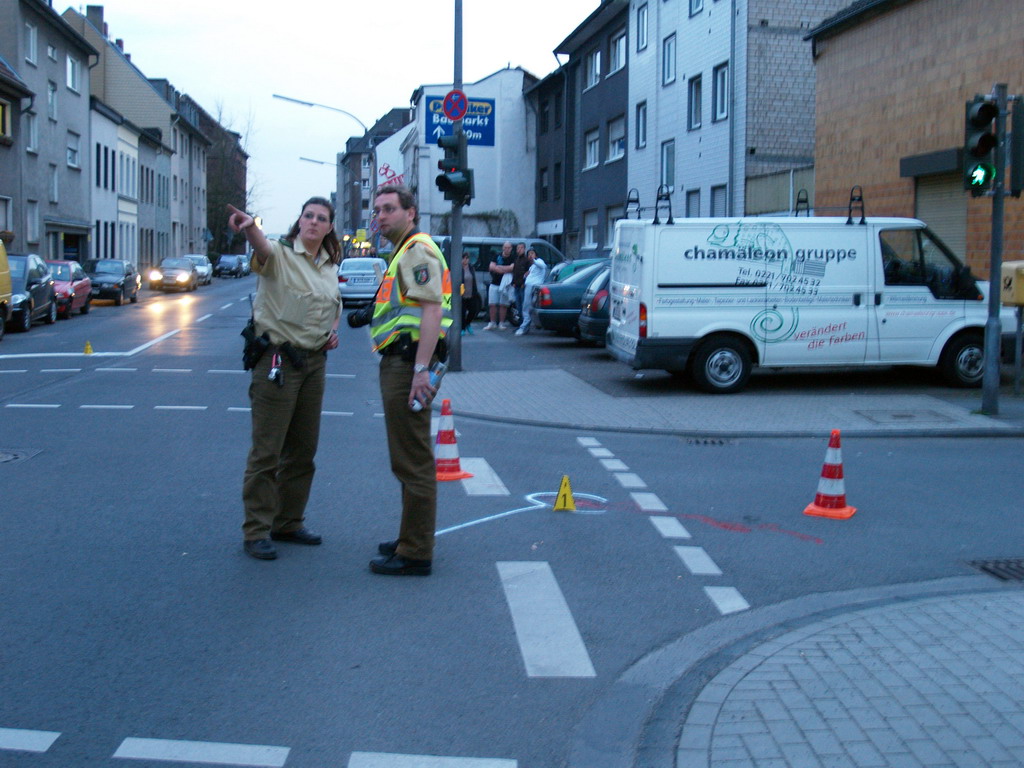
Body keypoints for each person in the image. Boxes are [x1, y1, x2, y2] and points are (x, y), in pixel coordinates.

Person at [227, 198, 342, 561]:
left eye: (321, 218)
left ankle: (288, 521)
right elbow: (262, 248)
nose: (313, 222)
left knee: (303, 451)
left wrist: (331, 331)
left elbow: (331, 306)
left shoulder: (329, 265)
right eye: (308, 215)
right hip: (277, 360)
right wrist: (250, 228)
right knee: (267, 452)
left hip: (314, 363)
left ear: (328, 228)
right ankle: (256, 530)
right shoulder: (279, 254)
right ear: (299, 221)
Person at [357, 185, 452, 576]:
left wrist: (419, 371)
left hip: (409, 364)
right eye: (378, 209)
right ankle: (410, 537)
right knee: (408, 457)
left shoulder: (416, 250)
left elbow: (431, 311)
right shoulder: (403, 251)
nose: (381, 216)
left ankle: (415, 552)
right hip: (405, 362)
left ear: (410, 213)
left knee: (412, 460)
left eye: (390, 209)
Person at [515, 247, 548, 336]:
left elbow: (543, 266)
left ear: (536, 254)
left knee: (528, 306)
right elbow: (529, 275)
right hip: (528, 287)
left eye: (532, 253)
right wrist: (526, 276)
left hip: (534, 287)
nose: (530, 255)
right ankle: (525, 326)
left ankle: (525, 326)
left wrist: (534, 260)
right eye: (529, 254)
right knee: (526, 306)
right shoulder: (532, 266)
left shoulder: (539, 261)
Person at [483, 241, 514, 330]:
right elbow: (491, 267)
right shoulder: (497, 256)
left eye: (509, 248)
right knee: (492, 304)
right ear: (503, 248)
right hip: (494, 283)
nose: (507, 249)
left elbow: (512, 268)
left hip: (505, 285)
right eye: (505, 247)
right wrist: (506, 269)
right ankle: (492, 322)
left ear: (511, 249)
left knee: (503, 305)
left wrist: (498, 267)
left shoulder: (513, 258)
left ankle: (501, 323)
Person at [461, 251, 480, 335]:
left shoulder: (471, 268)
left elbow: (474, 280)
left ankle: (467, 324)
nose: (466, 260)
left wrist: (475, 292)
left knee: (473, 311)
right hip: (462, 294)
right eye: (464, 258)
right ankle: (463, 328)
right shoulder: (458, 268)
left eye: (467, 258)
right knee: (462, 312)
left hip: (471, 293)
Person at [511, 241, 530, 325]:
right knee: (518, 305)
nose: (519, 250)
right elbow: (515, 272)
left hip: (523, 286)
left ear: (524, 249)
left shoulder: (527, 260)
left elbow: (528, 273)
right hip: (516, 285)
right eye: (518, 248)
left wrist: (524, 283)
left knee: (523, 305)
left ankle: (524, 323)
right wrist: (513, 282)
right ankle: (520, 322)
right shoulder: (516, 259)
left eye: (521, 248)